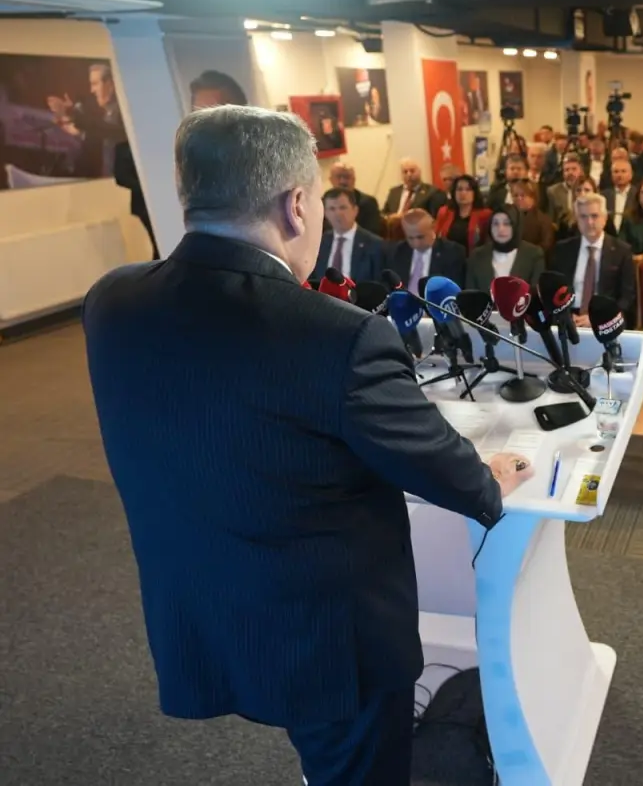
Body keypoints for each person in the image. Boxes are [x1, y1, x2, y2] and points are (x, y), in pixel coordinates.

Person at [81, 105, 533, 785]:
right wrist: (492, 476)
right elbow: (443, 469)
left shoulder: (112, 301)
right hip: (328, 646)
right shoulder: (337, 334)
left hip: (206, 614)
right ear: (296, 206)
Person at [551, 193, 637, 327]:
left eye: (594, 216)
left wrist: (599, 318)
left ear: (605, 218)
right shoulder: (563, 249)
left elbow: (627, 297)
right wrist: (565, 316)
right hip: (569, 317)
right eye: (583, 217)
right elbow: (553, 291)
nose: (589, 222)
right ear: (577, 220)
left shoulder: (621, 251)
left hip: (606, 318)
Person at [311, 188, 385, 283]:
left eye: (343, 208)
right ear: (325, 213)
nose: (338, 214)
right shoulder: (319, 242)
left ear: (355, 210)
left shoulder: (375, 244)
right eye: (332, 209)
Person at [387, 207, 466, 291]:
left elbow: (453, 291)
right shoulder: (397, 251)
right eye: (410, 238)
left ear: (433, 227)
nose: (416, 243)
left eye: (420, 237)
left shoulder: (453, 253)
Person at [465, 209, 545, 291]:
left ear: (516, 226)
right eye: (495, 223)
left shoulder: (534, 254)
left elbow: (536, 294)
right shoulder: (477, 256)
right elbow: (470, 295)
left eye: (506, 223)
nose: (500, 229)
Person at [434, 174, 492, 254]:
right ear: (454, 192)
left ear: (475, 193)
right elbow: (437, 238)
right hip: (448, 258)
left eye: (468, 189)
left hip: (473, 258)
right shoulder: (444, 212)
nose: (463, 193)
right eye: (459, 189)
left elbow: (488, 243)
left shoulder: (485, 215)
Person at [381, 158, 447, 222]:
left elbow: (434, 218)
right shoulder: (394, 192)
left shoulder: (432, 192)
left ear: (420, 172)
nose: (409, 174)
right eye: (405, 172)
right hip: (393, 227)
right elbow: (384, 213)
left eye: (412, 171)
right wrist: (391, 217)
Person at [327, 162, 382, 236]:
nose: (343, 181)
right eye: (338, 177)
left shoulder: (368, 203)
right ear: (331, 180)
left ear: (354, 180)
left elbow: (372, 234)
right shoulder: (321, 204)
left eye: (347, 177)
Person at [509, 179, 557, 258]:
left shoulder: (543, 220)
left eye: (523, 195)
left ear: (533, 197)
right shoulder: (507, 217)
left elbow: (546, 246)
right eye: (516, 195)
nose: (519, 199)